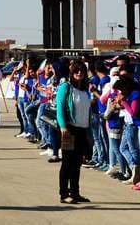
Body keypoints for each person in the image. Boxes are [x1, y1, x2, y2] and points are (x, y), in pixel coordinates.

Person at [56, 60, 92, 204]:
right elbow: (60, 108)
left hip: (82, 129)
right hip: (69, 129)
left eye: (82, 71)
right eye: (76, 71)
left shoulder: (84, 90)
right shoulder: (66, 87)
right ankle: (64, 194)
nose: (79, 73)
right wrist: (63, 126)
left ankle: (75, 192)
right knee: (67, 162)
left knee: (77, 163)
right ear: (71, 73)